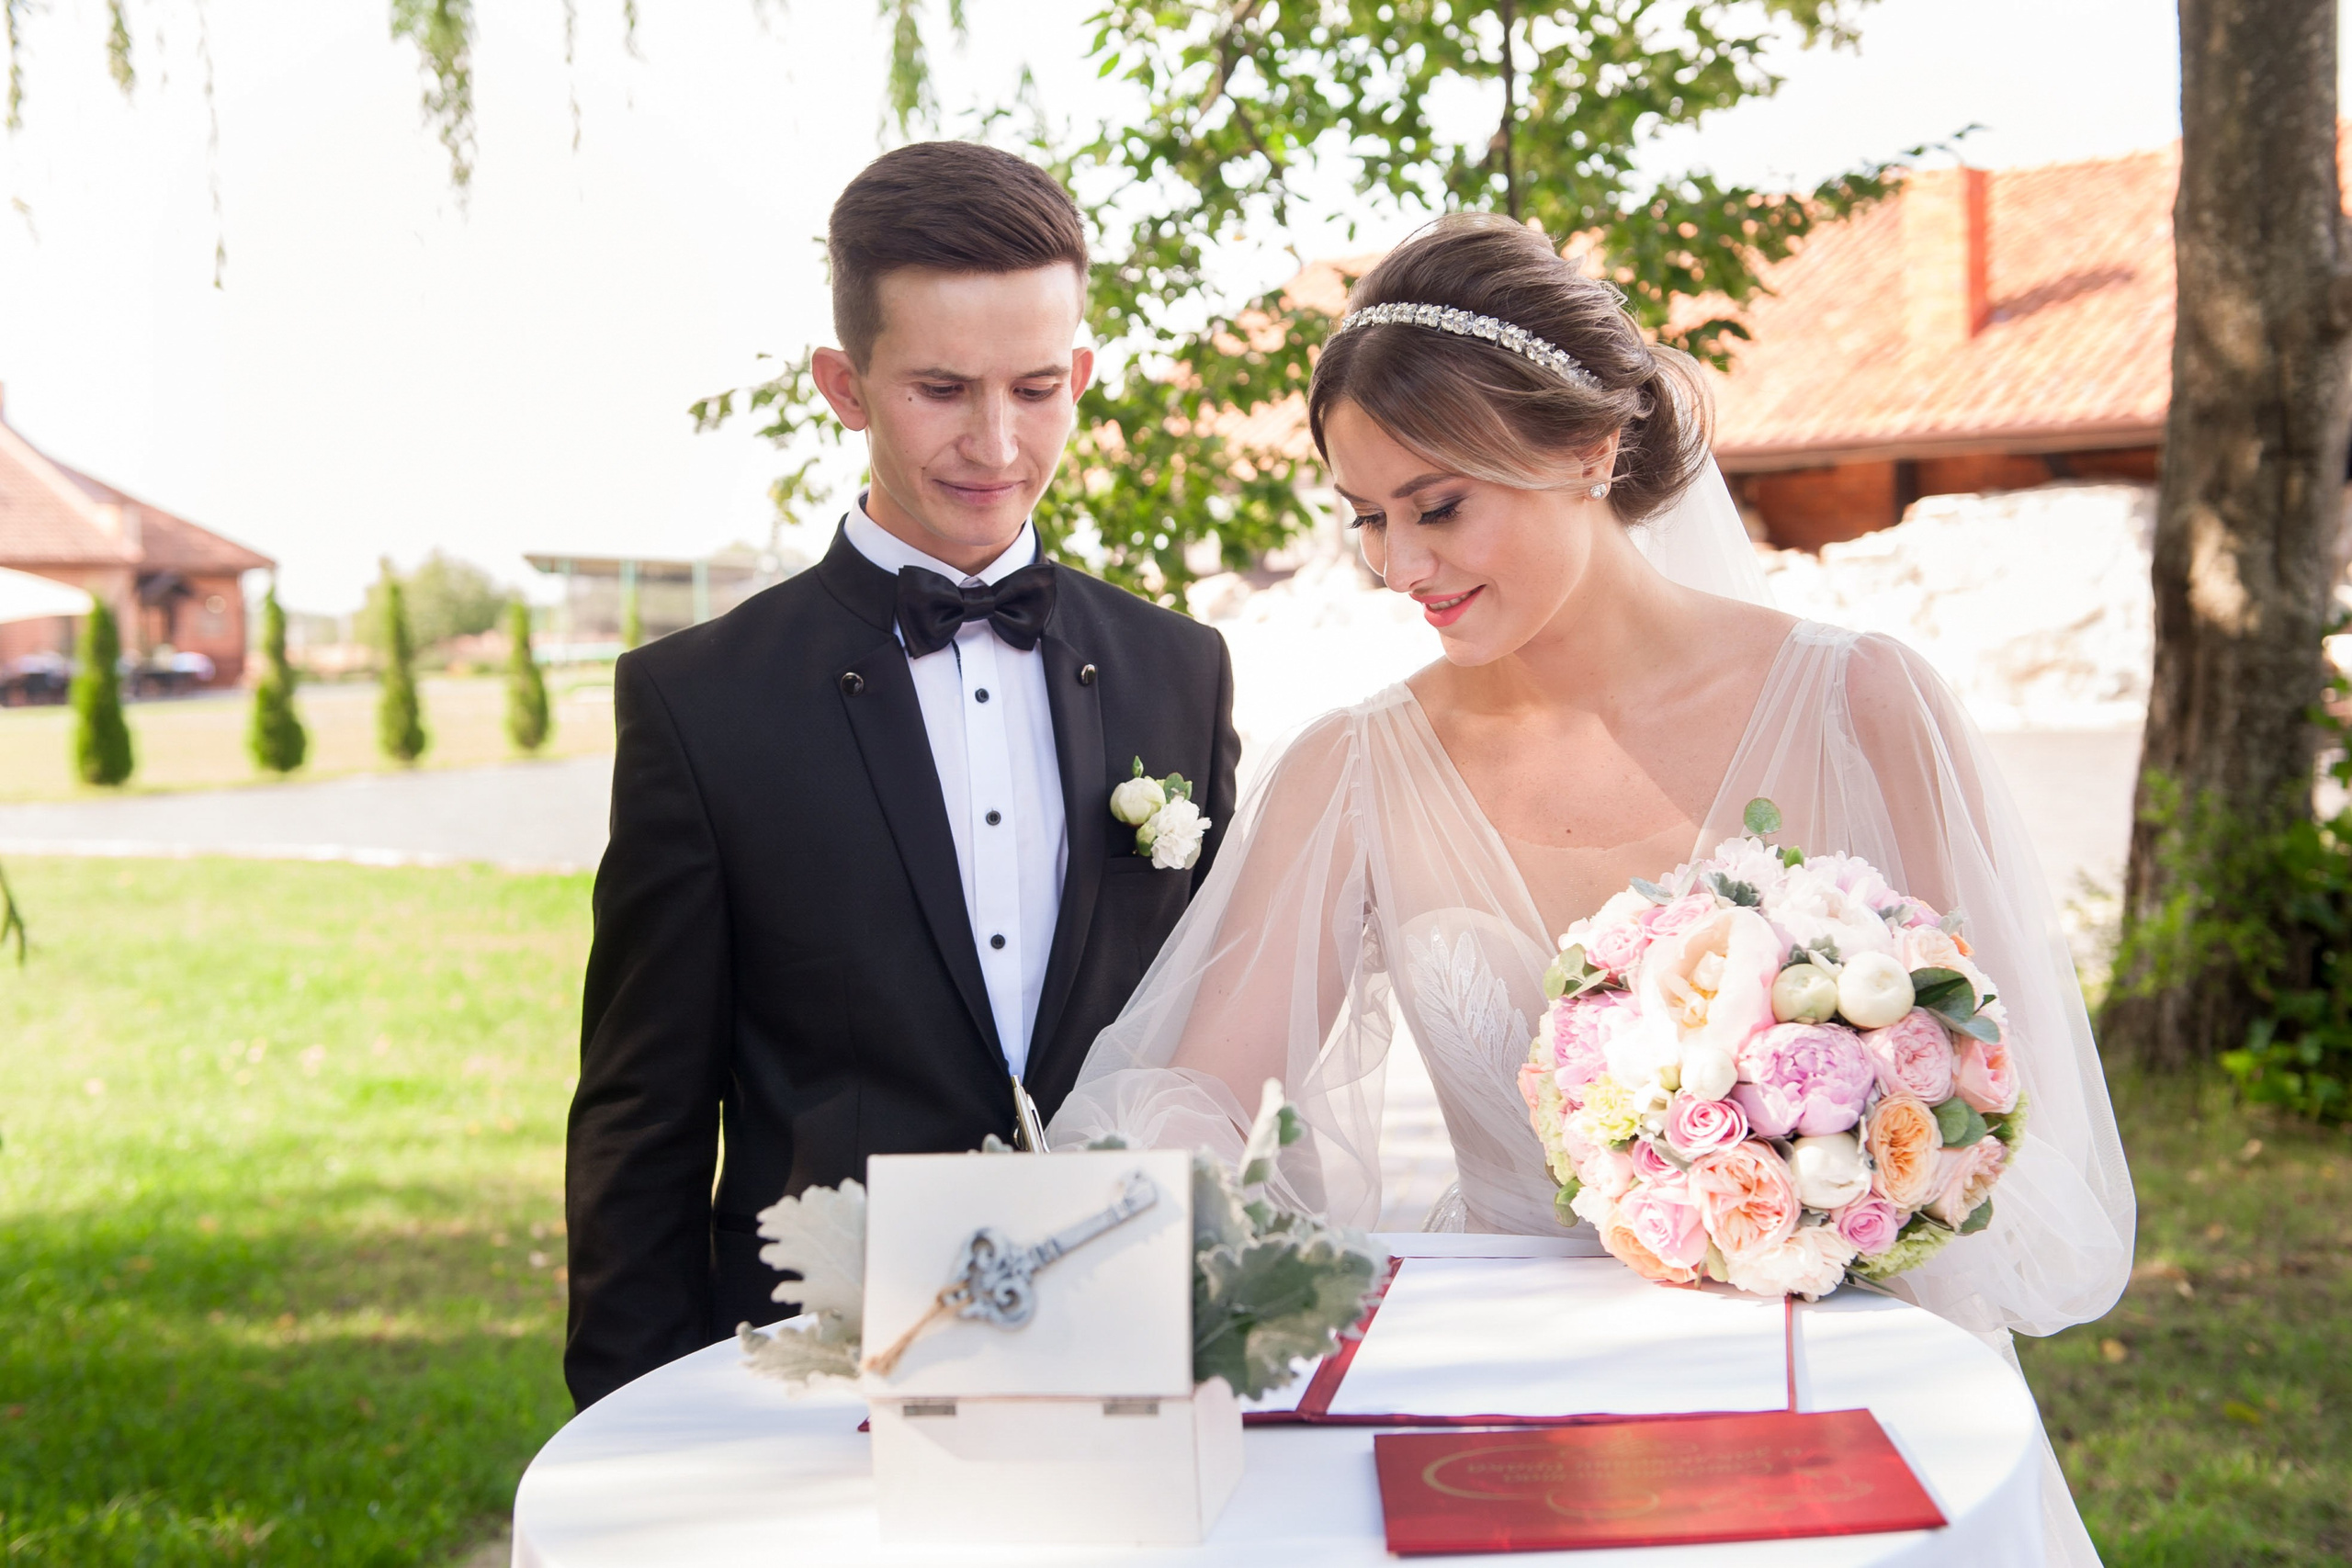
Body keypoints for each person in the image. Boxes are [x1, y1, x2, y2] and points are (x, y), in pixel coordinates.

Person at [1046, 213, 2132, 1565]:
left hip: (1830, 1392)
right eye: (1368, 520)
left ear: (1590, 448)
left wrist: (1836, 1201)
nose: (1401, 566)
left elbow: (1994, 1096)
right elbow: (1203, 1094)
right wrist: (1107, 1245)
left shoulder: (1864, 701)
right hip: (1510, 1417)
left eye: (1439, 506)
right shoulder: (1352, 769)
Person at [565, 141, 1240, 1410]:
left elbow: (1214, 1043)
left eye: (1038, 388)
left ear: (1082, 375)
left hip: (1129, 1332)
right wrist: (630, 1418)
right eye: (941, 389)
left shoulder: (1180, 671)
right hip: (816, 1366)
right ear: (845, 384)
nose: (996, 442)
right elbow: (639, 1118)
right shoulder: (701, 703)